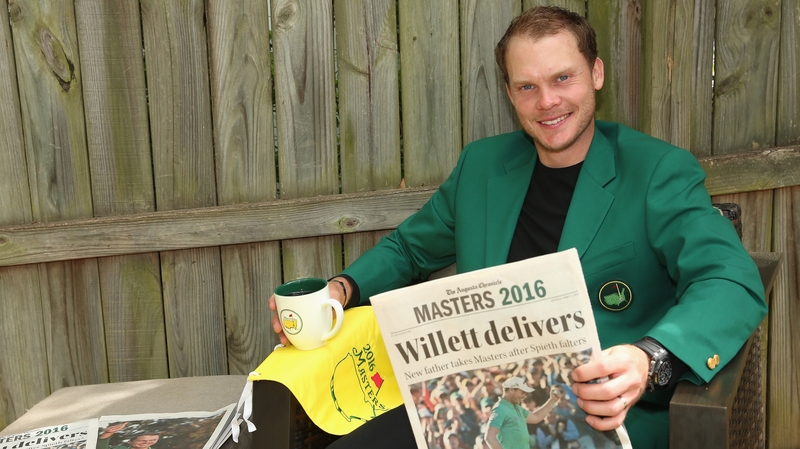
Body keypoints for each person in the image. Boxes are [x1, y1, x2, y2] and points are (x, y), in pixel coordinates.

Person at [268, 5, 767, 448]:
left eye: (562, 79)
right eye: (527, 86)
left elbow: (730, 280)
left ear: (596, 73)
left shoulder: (657, 170)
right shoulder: (482, 167)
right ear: (509, 93)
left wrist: (648, 358)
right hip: (470, 409)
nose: (546, 101)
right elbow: (409, 250)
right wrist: (338, 290)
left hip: (594, 418)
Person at [484, 377, 561, 449]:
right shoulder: (500, 409)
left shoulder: (517, 407)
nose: (524, 396)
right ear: (512, 390)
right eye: (522, 392)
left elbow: (536, 417)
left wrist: (552, 400)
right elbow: (489, 437)